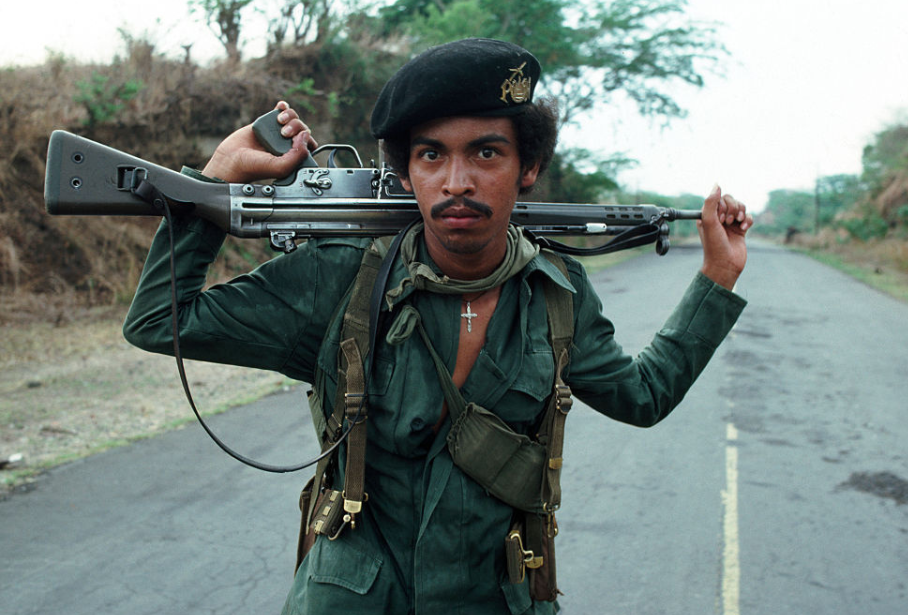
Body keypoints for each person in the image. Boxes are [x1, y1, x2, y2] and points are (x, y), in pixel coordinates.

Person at [123, 38, 752, 615]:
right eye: (432, 155)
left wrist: (717, 279)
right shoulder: (338, 280)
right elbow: (160, 321)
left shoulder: (557, 293)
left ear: (526, 167)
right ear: (405, 174)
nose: (458, 182)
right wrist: (211, 184)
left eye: (486, 152)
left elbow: (641, 397)